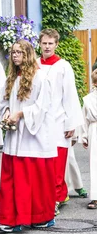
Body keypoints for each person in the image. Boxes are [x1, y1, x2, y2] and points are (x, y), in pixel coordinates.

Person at [0, 40, 57, 233]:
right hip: (15, 137)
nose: (15, 56)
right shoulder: (12, 77)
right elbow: (3, 101)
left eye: (19, 52)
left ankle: (39, 217)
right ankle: (10, 218)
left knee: (33, 181)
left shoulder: (40, 77)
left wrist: (21, 114)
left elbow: (43, 107)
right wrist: (7, 112)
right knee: (12, 179)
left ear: (28, 54)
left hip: (33, 137)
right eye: (13, 52)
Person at [38, 29, 83, 214]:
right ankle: (46, 196)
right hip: (39, 122)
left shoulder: (63, 66)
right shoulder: (34, 65)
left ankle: (56, 198)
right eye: (44, 43)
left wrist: (70, 123)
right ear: (39, 44)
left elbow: (70, 95)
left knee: (57, 163)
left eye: (51, 43)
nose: (47, 46)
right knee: (42, 163)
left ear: (56, 45)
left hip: (58, 120)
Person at [80, 69, 97, 209]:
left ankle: (95, 197)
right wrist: (84, 136)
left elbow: (83, 120)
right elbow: (83, 119)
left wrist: (84, 136)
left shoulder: (88, 99)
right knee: (94, 163)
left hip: (93, 129)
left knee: (95, 163)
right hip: (93, 129)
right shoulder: (88, 99)